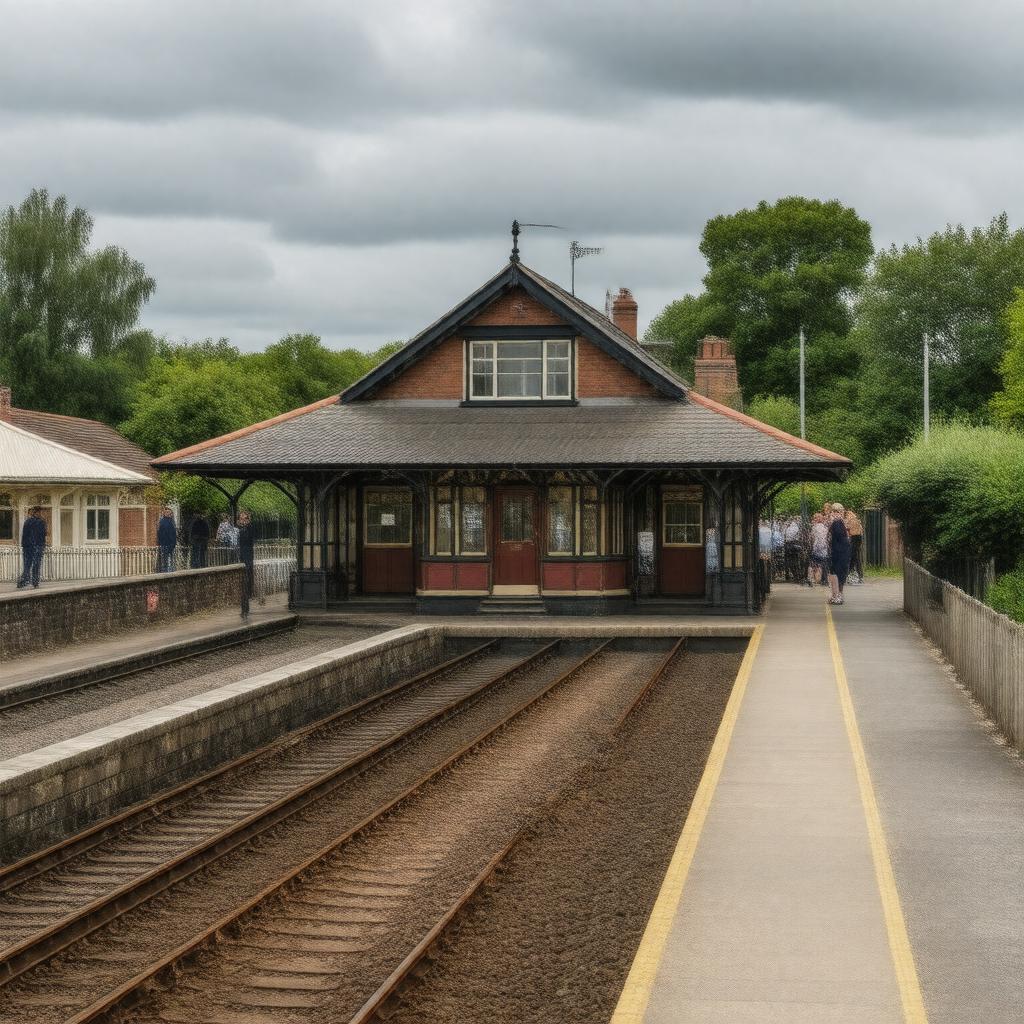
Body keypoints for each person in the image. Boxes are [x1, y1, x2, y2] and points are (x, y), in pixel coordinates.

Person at [16, 506, 47, 589]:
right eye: (41, 512)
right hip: (37, 546)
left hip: (28, 546)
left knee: (27, 564)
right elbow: (43, 534)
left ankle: (23, 581)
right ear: (37, 512)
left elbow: (24, 535)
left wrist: (25, 546)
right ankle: (35, 582)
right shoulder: (41, 522)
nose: (42, 514)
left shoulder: (28, 521)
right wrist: (41, 545)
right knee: (36, 564)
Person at [828, 503, 852, 605]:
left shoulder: (836, 522)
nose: (842, 512)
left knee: (835, 573)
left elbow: (837, 537)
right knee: (840, 573)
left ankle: (836, 595)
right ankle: (839, 595)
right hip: (843, 551)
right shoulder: (840, 522)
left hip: (838, 551)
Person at [237, 509, 255, 616]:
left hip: (247, 558)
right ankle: (244, 608)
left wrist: (244, 528)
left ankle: (245, 608)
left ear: (248, 520)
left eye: (245, 519)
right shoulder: (239, 529)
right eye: (241, 518)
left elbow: (249, 539)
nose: (243, 520)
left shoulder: (249, 528)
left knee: (246, 582)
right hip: (241, 557)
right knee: (242, 583)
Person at [806, 512, 828, 588]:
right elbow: (827, 538)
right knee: (823, 565)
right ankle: (824, 580)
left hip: (815, 548)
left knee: (812, 564)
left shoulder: (814, 527)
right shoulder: (825, 527)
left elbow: (811, 538)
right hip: (823, 548)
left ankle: (810, 578)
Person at [845, 509, 864, 584]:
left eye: (847, 515)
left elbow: (848, 530)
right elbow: (861, 531)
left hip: (854, 539)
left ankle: (849, 574)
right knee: (856, 558)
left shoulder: (851, 521)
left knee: (853, 558)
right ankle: (859, 575)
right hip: (858, 539)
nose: (847, 516)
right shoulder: (857, 521)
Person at [157, 507, 177, 572]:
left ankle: (169, 570)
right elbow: (160, 533)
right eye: (167, 512)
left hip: (170, 543)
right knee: (165, 558)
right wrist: (161, 541)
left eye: (169, 512)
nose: (168, 513)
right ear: (164, 513)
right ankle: (166, 570)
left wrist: (174, 542)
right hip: (165, 543)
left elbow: (173, 533)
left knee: (170, 558)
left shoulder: (171, 521)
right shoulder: (163, 521)